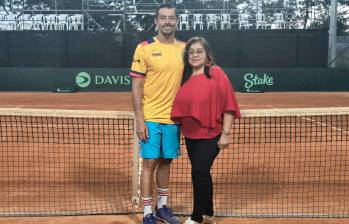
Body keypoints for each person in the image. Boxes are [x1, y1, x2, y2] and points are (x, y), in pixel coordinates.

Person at [171, 37, 241, 224]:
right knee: (202, 173)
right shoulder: (184, 77)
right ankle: (209, 213)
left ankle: (196, 216)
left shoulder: (215, 72)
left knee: (198, 171)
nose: (194, 55)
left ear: (207, 54)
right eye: (191, 52)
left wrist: (225, 134)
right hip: (191, 134)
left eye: (199, 51)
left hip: (213, 133)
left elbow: (228, 104)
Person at [129, 3, 185, 224]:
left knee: (166, 162)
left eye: (171, 18)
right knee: (150, 162)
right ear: (156, 21)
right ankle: (147, 212)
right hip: (150, 118)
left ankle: (162, 208)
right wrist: (140, 119)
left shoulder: (184, 48)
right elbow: (136, 86)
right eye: (163, 18)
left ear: (177, 21)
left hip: (174, 119)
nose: (167, 22)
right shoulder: (143, 48)